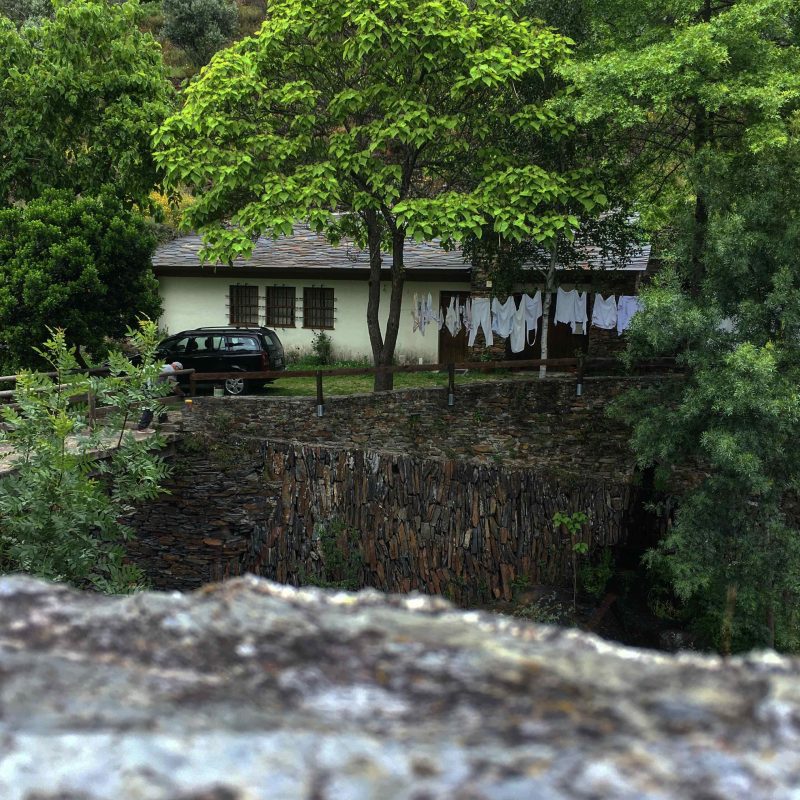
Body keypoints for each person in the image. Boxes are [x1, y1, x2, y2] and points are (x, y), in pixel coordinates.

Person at [137, 361, 185, 431]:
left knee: (161, 400)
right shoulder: (171, 370)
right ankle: (142, 427)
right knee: (150, 406)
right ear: (176, 367)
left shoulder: (165, 366)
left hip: (144, 382)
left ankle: (163, 419)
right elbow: (173, 385)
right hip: (148, 385)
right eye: (179, 371)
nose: (178, 373)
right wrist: (182, 394)